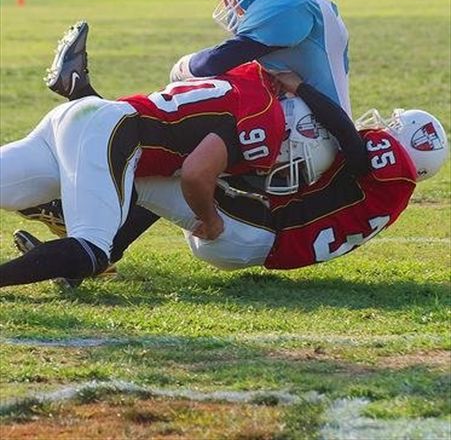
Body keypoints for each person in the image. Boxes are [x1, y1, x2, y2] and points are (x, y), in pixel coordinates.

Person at [7, 73, 448, 280]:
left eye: (393, 128)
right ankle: (80, 238)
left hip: (256, 234)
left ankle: (82, 246)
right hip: (264, 234)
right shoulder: (391, 191)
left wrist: (301, 88)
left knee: (176, 174)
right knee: (144, 177)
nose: (381, 129)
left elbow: (354, 148)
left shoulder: (393, 164)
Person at [0, 56, 295, 288]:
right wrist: (210, 219)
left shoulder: (240, 76)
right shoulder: (263, 113)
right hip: (111, 131)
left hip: (78, 115)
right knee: (91, 251)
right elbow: (195, 172)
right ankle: (62, 223)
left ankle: (62, 214)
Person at [170, 0, 351, 115]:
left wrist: (183, 67)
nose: (227, 3)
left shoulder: (288, 2)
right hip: (317, 117)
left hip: (315, 129)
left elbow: (218, 61)